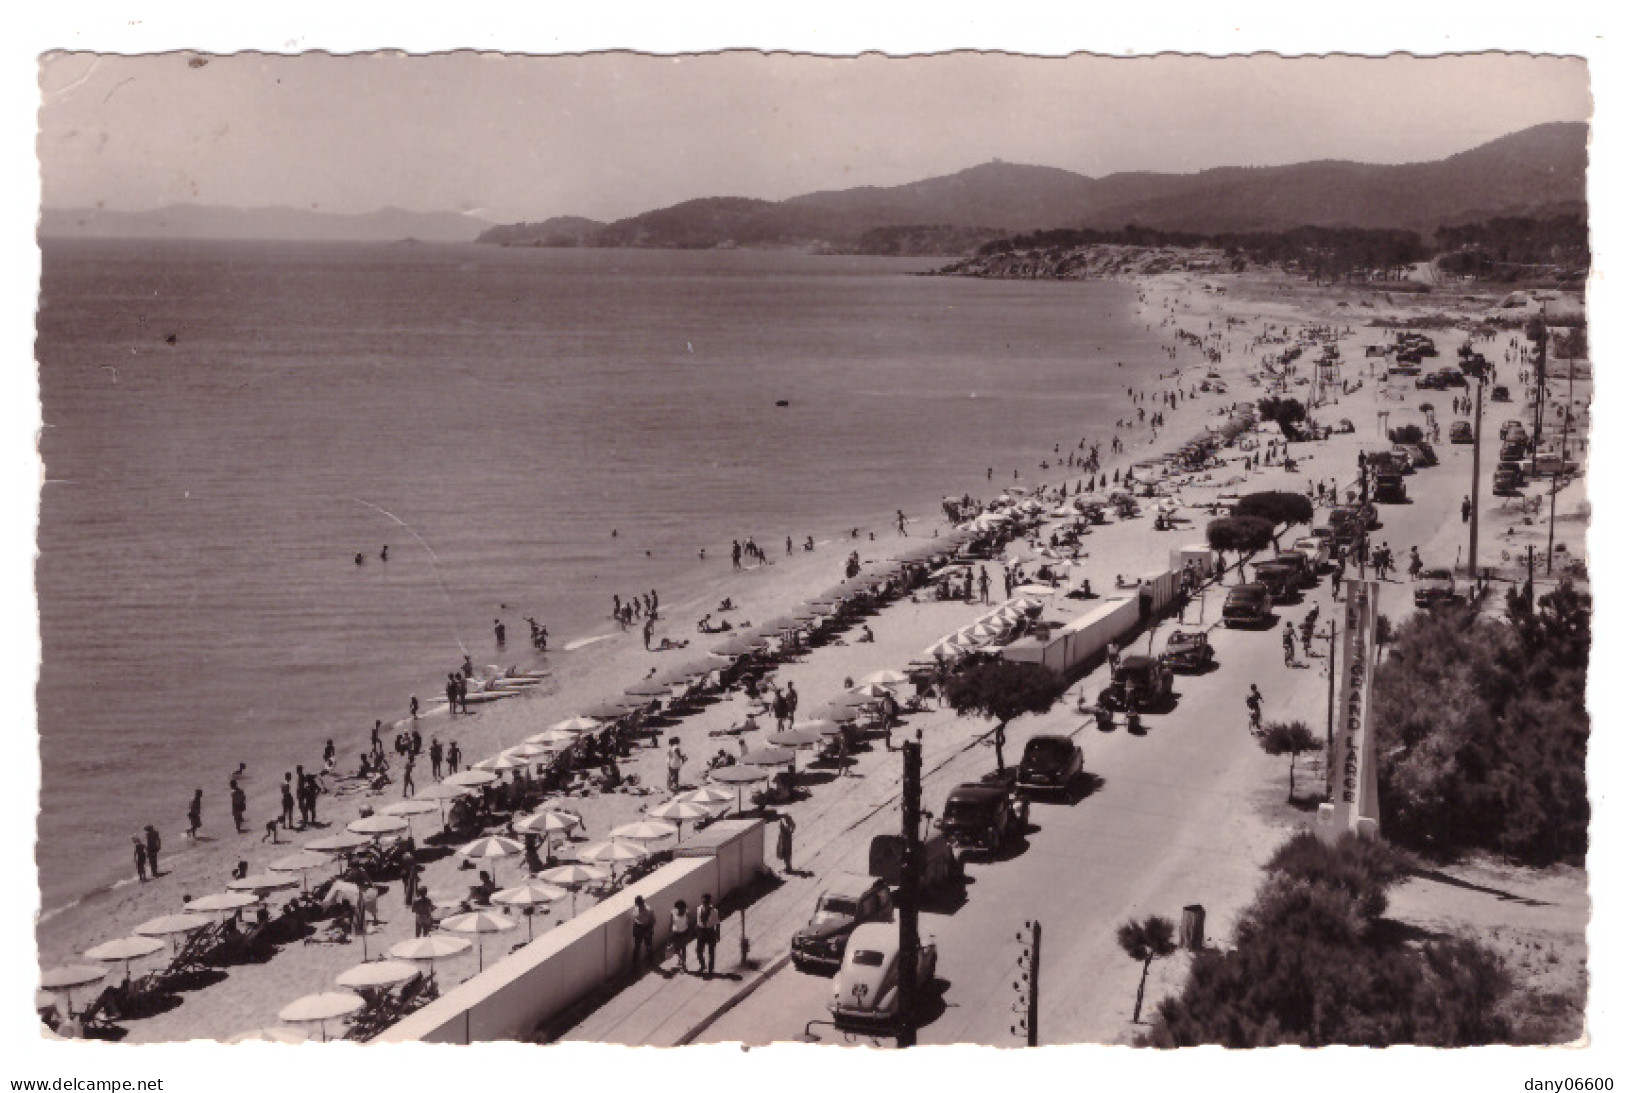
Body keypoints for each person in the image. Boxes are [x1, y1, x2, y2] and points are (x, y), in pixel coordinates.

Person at [696, 893, 720, 977]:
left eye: (706, 902)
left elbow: (717, 923)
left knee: (711, 952)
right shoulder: (698, 909)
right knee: (699, 951)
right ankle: (702, 965)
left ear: (710, 901)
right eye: (703, 902)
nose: (704, 903)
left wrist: (718, 935)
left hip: (710, 932)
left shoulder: (714, 911)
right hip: (701, 931)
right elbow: (698, 921)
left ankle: (710, 969)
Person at [668, 899, 694, 972]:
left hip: (684, 933)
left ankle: (683, 964)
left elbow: (690, 923)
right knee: (676, 949)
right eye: (680, 908)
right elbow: (671, 923)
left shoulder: (686, 913)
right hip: (675, 933)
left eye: (683, 908)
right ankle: (680, 958)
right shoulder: (673, 913)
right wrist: (670, 935)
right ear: (677, 908)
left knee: (683, 949)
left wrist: (690, 933)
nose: (682, 909)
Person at [631, 896, 655, 970]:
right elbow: (636, 919)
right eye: (638, 904)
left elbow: (653, 920)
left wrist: (649, 930)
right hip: (638, 928)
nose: (639, 905)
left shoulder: (649, 909)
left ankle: (650, 961)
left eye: (640, 903)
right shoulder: (635, 909)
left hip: (646, 928)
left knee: (648, 946)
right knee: (637, 947)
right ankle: (635, 964)